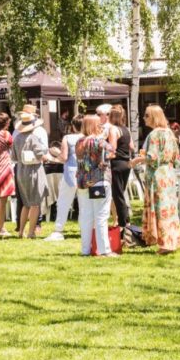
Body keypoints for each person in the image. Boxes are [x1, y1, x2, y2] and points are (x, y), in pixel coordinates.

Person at [131, 104, 180, 254]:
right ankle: (172, 241)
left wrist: (137, 160)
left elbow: (152, 157)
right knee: (169, 209)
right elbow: (177, 158)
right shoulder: (169, 133)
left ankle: (166, 244)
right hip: (169, 174)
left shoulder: (154, 134)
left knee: (161, 209)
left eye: (146, 115)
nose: (143, 118)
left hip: (157, 175)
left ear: (153, 117)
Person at [75, 114, 117, 256]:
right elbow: (112, 150)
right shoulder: (99, 141)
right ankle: (104, 250)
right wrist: (104, 135)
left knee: (86, 216)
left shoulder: (79, 141)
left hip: (82, 181)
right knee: (101, 216)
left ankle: (85, 250)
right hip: (99, 179)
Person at [12, 111, 50, 239]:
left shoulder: (17, 138)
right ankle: (31, 232)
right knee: (35, 203)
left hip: (21, 172)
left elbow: (14, 157)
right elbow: (40, 155)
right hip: (33, 171)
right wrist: (51, 157)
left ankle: (21, 231)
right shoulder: (33, 138)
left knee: (26, 203)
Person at [46, 114, 84, 241]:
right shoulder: (89, 138)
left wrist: (52, 157)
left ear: (73, 126)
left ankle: (58, 229)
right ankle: (85, 228)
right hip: (85, 174)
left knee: (63, 203)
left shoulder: (68, 138)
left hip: (70, 173)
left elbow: (64, 157)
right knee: (84, 203)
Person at [103, 104, 133, 235]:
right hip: (127, 164)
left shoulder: (113, 129)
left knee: (117, 195)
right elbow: (132, 146)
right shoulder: (126, 129)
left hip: (116, 164)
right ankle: (126, 221)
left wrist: (102, 143)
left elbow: (112, 148)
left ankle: (123, 224)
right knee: (121, 193)